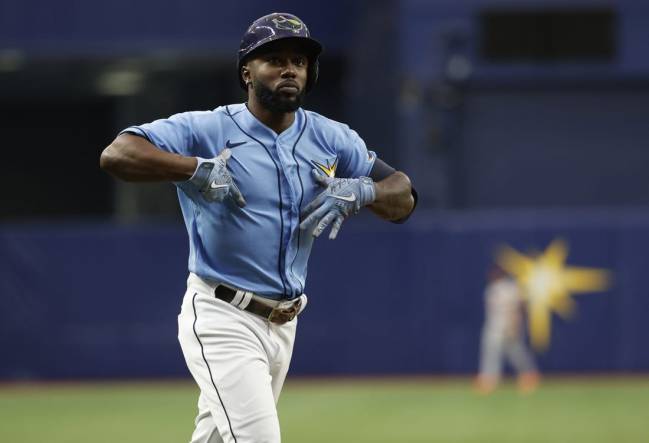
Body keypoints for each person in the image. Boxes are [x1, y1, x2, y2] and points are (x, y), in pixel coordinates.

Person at [100, 12, 416, 443]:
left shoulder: (330, 137)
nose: (290, 69)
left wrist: (365, 191)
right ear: (247, 72)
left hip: (284, 322)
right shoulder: (210, 128)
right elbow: (118, 153)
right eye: (275, 59)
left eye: (300, 61)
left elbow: (404, 196)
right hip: (222, 315)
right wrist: (193, 169)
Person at [474, 267, 540, 395]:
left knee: (517, 353)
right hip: (495, 327)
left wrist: (515, 324)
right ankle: (489, 380)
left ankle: (529, 375)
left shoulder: (510, 288)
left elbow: (520, 306)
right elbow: (522, 306)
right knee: (492, 354)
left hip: (507, 326)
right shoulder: (493, 289)